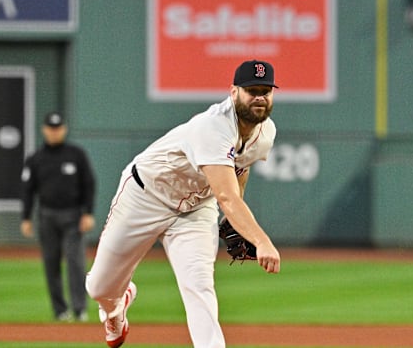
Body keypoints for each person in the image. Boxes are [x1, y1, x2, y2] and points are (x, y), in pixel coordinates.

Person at [86, 60, 282, 348]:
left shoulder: (266, 133)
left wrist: (233, 221)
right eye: (251, 90)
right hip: (145, 197)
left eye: (266, 91)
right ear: (234, 92)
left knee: (199, 287)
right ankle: (116, 306)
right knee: (99, 287)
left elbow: (241, 167)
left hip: (195, 209)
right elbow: (226, 197)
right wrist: (261, 240)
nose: (259, 97)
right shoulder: (213, 127)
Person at [21, 112, 96, 322]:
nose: (54, 132)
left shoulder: (76, 155)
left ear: (64, 129)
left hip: (73, 215)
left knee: (76, 263)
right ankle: (60, 311)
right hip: (47, 215)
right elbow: (28, 189)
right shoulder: (36, 158)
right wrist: (25, 217)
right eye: (51, 128)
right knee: (51, 263)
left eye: (58, 128)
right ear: (44, 130)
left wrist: (88, 212)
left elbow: (88, 184)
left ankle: (79, 309)